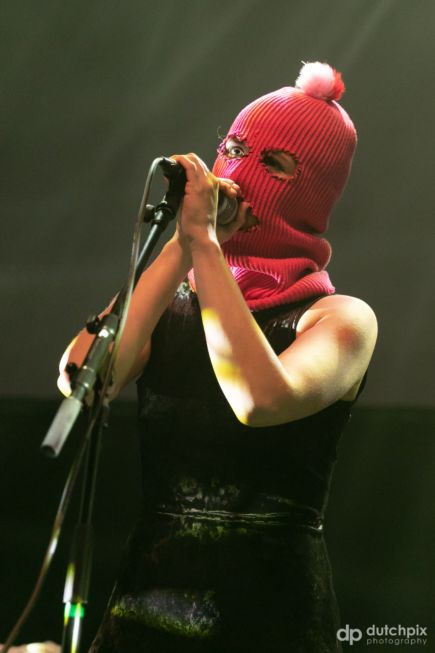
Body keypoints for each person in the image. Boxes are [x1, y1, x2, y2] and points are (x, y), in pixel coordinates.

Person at [58, 61, 377, 652]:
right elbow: (86, 377)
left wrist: (203, 247)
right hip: (148, 599)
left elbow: (258, 400)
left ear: (313, 192)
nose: (238, 172)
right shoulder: (176, 289)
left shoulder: (341, 318)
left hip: (272, 609)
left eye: (274, 163)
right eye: (232, 149)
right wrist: (182, 249)